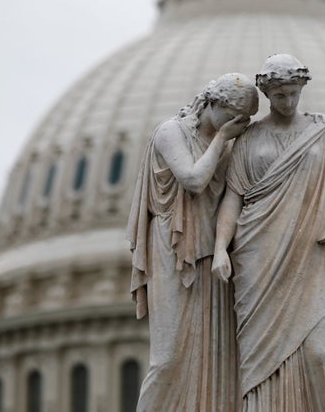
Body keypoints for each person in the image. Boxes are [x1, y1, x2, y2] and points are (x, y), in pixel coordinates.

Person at [212, 55, 325, 412]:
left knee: (318, 352)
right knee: (257, 361)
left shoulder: (324, 134)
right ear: (267, 94)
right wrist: (219, 250)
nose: (287, 102)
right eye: (279, 96)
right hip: (258, 260)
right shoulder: (249, 138)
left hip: (313, 256)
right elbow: (233, 198)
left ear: (302, 89)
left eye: (293, 94)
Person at [127, 73, 259, 411]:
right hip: (172, 246)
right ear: (214, 103)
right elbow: (193, 180)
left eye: (243, 120)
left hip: (210, 252)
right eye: (233, 116)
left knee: (212, 354)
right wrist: (224, 138)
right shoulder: (172, 132)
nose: (237, 124)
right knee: (169, 357)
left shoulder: (227, 145)